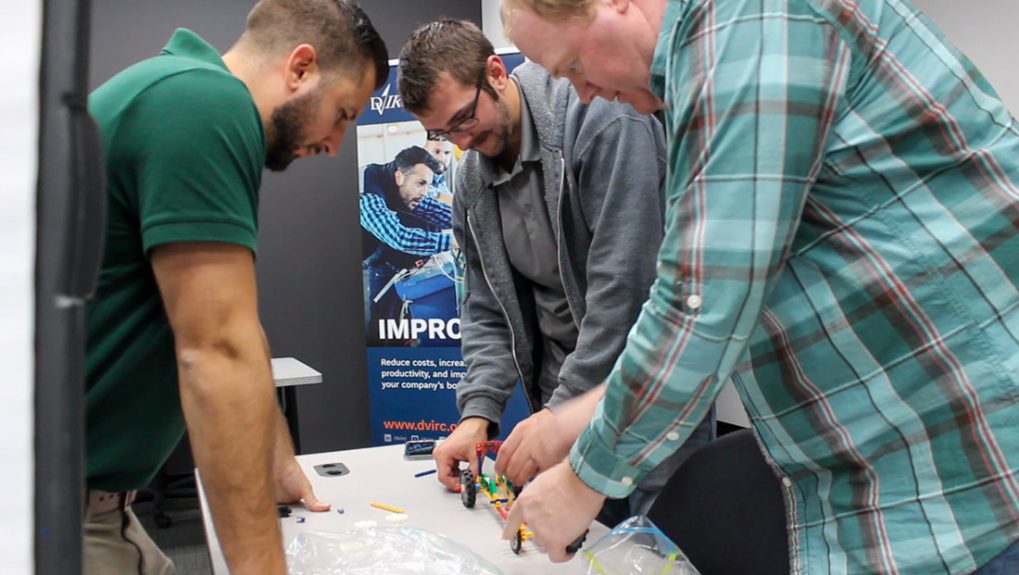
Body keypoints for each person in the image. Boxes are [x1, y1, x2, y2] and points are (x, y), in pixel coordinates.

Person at [498, 0, 1019, 573]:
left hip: (973, 480)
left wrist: (582, 479)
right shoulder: (708, 67)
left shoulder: (749, 19)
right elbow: (724, 294)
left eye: (573, 65)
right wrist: (568, 423)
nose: (585, 94)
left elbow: (699, 304)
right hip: (887, 489)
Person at [85, 1, 387, 573]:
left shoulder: (178, 90)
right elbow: (217, 350)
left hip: (95, 508)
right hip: (60, 511)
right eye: (343, 113)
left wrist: (276, 459)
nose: (335, 144)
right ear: (301, 67)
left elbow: (235, 327)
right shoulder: (203, 104)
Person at [397, 19, 714, 525]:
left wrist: (560, 417)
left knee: (662, 546)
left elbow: (624, 291)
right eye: (444, 132)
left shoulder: (602, 120)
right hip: (562, 401)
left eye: (463, 119)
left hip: (649, 394)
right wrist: (477, 414)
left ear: (496, 72)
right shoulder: (473, 181)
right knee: (583, 546)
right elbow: (486, 308)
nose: (460, 142)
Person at [360, 145, 450, 340]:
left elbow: (437, 211)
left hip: (378, 257)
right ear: (399, 176)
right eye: (421, 183)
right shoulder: (367, 190)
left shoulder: (404, 186)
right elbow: (399, 237)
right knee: (379, 327)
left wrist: (475, 223)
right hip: (353, 266)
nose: (425, 192)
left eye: (427, 185)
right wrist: (455, 240)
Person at [424, 134, 456, 199]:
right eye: (436, 152)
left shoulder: (440, 179)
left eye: (447, 153)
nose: (442, 158)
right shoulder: (415, 177)